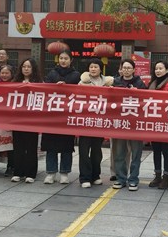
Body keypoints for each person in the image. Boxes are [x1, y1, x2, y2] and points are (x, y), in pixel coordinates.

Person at [42, 49, 80, 184]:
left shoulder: (76, 75)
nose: (63, 61)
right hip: (52, 115)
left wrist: (67, 87)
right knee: (50, 145)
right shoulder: (52, 73)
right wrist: (54, 87)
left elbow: (80, 92)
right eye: (61, 58)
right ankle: (51, 172)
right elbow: (45, 90)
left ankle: (64, 172)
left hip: (67, 115)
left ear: (71, 60)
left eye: (66, 58)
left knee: (66, 146)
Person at [112, 58, 147, 191]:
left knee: (136, 153)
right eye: (124, 68)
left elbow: (146, 101)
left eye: (129, 68)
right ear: (121, 69)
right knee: (119, 153)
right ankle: (121, 178)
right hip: (120, 123)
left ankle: (133, 179)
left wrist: (138, 92)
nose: (126, 70)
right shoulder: (115, 82)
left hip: (135, 124)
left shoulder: (140, 83)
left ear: (134, 70)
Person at [78, 58, 114, 188]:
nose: (93, 69)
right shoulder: (82, 83)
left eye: (96, 67)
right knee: (83, 150)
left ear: (100, 69)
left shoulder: (108, 83)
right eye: (91, 67)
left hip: (99, 122)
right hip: (85, 122)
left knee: (96, 151)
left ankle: (95, 175)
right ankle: (84, 177)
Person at [147, 60, 168, 189]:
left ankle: (166, 178)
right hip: (154, 122)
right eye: (156, 68)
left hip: (166, 123)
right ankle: (157, 176)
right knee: (156, 150)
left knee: (166, 151)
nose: (158, 71)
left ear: (167, 70)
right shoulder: (152, 84)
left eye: (161, 68)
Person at [11, 58, 42, 183]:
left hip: (32, 120)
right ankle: (18, 172)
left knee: (31, 146)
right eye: (24, 66)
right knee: (18, 146)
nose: (26, 69)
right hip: (18, 119)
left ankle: (31, 173)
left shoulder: (39, 83)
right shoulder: (15, 82)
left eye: (29, 67)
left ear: (33, 69)